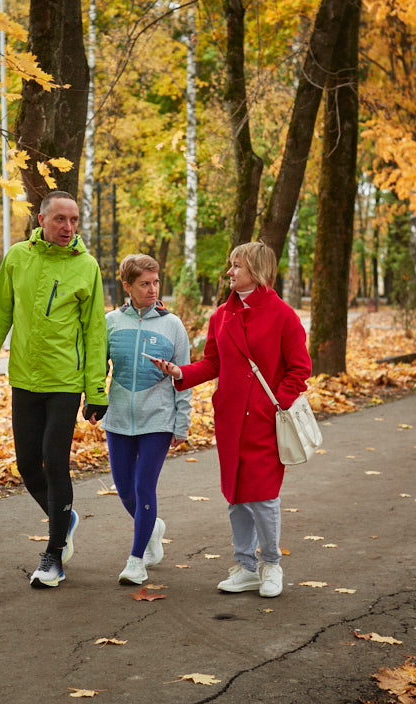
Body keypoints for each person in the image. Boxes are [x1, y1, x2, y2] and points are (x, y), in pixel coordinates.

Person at [149, 242, 310, 598]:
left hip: (267, 421)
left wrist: (276, 406)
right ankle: (245, 567)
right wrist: (180, 372)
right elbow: (213, 363)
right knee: (236, 495)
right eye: (231, 265)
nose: (230, 272)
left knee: (263, 496)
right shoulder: (221, 315)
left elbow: (300, 369)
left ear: (257, 270)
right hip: (231, 418)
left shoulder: (283, 316)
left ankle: (271, 564)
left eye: (237, 266)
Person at [0, 190, 108, 589]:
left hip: (65, 382)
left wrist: (96, 391)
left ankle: (53, 555)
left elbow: (94, 332)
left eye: (74, 220)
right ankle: (63, 517)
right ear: (41, 220)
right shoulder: (17, 258)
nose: (68, 227)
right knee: (27, 465)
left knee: (55, 461)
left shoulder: (86, 266)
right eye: (61, 219)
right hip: (25, 379)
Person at [102, 254, 192, 586]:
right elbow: (98, 369)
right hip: (118, 418)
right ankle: (153, 527)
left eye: (156, 282)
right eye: (144, 284)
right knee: (125, 490)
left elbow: (184, 378)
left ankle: (136, 560)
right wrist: (92, 401)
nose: (153, 289)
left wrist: (181, 423)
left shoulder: (173, 325)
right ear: (127, 286)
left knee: (143, 487)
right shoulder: (110, 322)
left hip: (158, 418)